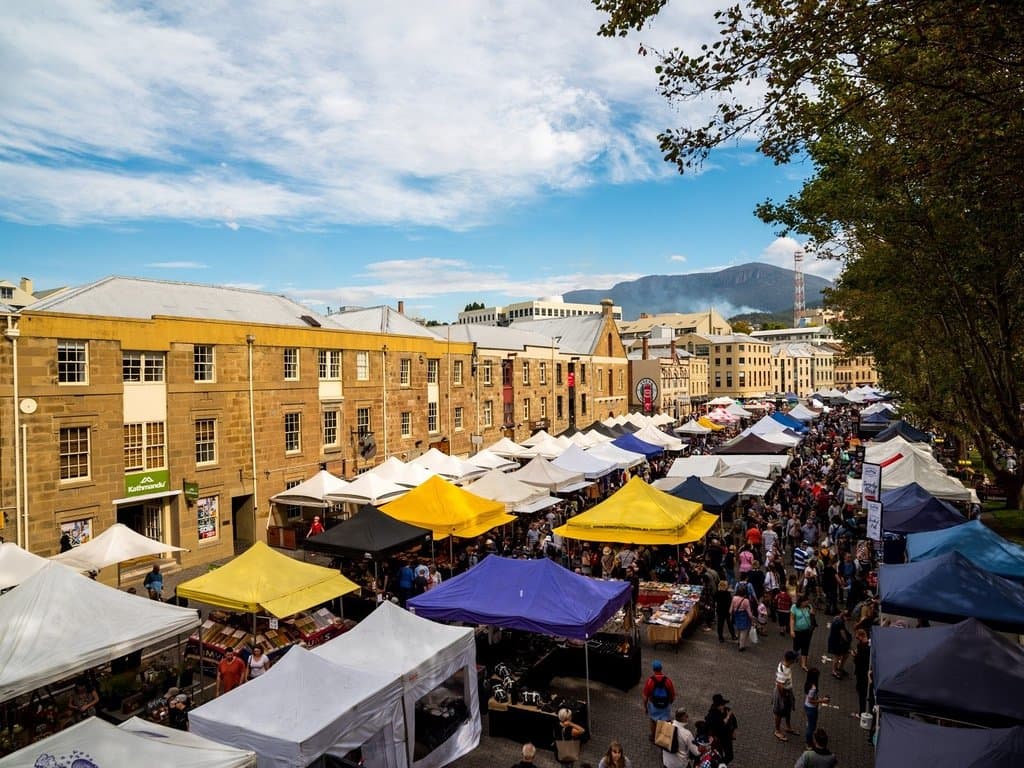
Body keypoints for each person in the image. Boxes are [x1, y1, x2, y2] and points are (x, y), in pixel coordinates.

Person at [642, 660, 676, 741]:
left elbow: (645, 697)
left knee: (653, 721)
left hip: (654, 706)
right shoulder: (668, 680)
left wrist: (645, 707)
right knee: (666, 722)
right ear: (661, 668)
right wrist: (669, 703)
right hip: (665, 706)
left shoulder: (650, 681)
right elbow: (673, 696)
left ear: (653, 669)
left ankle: (653, 737)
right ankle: (664, 738)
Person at [773, 650, 800, 742]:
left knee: (787, 709)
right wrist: (784, 696)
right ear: (791, 660)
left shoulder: (784, 665)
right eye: (795, 659)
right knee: (779, 712)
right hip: (783, 693)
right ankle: (777, 730)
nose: (796, 660)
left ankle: (788, 727)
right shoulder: (783, 671)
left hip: (787, 691)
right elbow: (779, 685)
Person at [705, 693, 737, 764]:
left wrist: (734, 730)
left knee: (730, 756)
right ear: (717, 706)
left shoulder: (726, 710)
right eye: (721, 705)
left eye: (723, 704)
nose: (723, 706)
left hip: (727, 737)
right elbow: (719, 725)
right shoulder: (712, 715)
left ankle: (721, 765)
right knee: (719, 756)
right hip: (718, 739)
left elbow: (733, 720)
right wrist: (727, 717)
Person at [802, 668, 830, 748]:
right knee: (811, 727)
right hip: (811, 708)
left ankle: (809, 738)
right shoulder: (813, 688)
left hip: (808, 706)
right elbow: (811, 700)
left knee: (811, 724)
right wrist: (822, 701)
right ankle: (809, 743)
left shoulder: (808, 683)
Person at [790, 593, 816, 671]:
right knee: (796, 646)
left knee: (805, 646)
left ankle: (803, 664)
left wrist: (812, 612)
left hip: (807, 631)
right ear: (801, 602)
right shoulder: (794, 607)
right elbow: (792, 619)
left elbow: (813, 616)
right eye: (806, 602)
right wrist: (791, 630)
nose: (807, 603)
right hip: (797, 631)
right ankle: (795, 657)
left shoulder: (809, 607)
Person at [730, 584, 756, 652]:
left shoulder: (734, 598)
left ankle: (738, 642)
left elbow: (730, 610)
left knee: (738, 629)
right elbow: (749, 613)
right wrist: (752, 618)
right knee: (743, 632)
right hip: (744, 617)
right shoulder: (746, 601)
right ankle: (741, 646)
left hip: (736, 616)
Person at [852, 628, 871, 716]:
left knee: (862, 693)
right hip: (867, 673)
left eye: (858, 637)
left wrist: (855, 656)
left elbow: (859, 661)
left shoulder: (862, 647)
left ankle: (862, 712)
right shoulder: (870, 646)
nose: (857, 640)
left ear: (862, 636)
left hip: (862, 673)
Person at [827, 611, 852, 678]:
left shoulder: (836, 618)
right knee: (837, 657)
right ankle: (834, 671)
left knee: (845, 655)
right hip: (837, 642)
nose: (847, 620)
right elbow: (842, 633)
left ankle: (839, 668)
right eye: (848, 618)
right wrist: (847, 641)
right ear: (845, 617)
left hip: (834, 640)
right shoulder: (840, 622)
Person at [714, 579, 736, 643]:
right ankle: (733, 635)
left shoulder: (717, 593)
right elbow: (730, 602)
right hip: (727, 611)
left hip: (720, 611)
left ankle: (720, 637)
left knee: (720, 624)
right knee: (729, 624)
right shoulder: (727, 593)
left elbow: (715, 600)